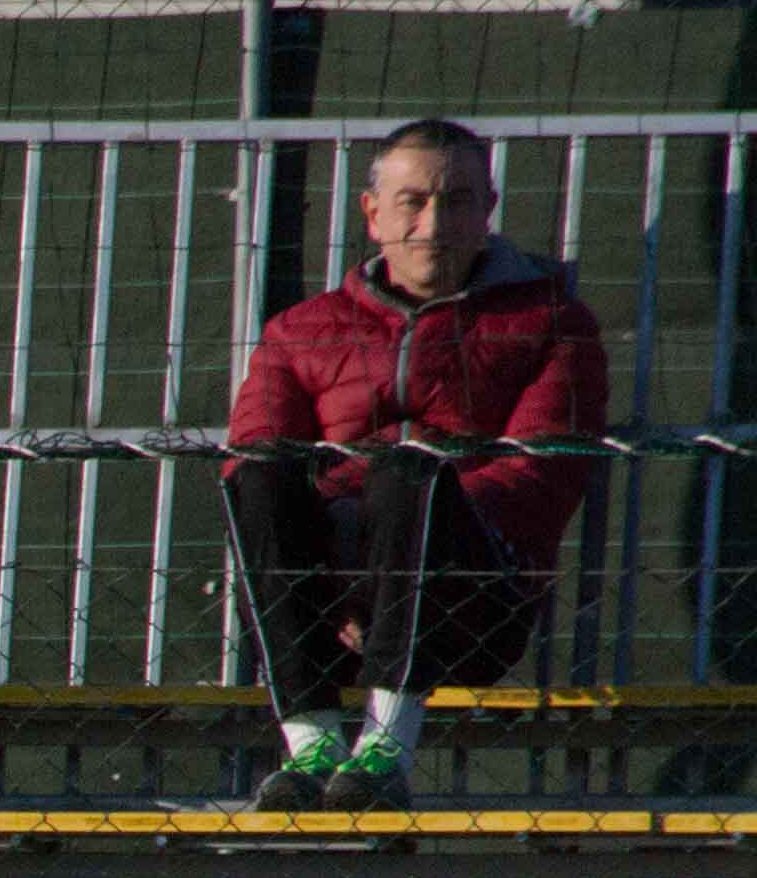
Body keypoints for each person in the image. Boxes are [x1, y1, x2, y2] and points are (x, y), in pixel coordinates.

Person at [223, 117, 608, 812]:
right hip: (331, 608)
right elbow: (258, 447)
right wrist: (355, 587)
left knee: (409, 473)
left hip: (472, 603)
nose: (433, 224)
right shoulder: (300, 330)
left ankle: (383, 754)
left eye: (457, 202)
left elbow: (541, 473)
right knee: (257, 475)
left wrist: (400, 557)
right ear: (374, 214)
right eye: (413, 202)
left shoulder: (554, 323)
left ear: (487, 212)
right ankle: (312, 747)